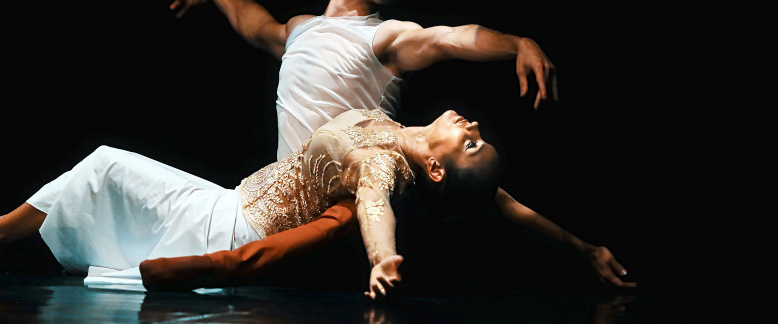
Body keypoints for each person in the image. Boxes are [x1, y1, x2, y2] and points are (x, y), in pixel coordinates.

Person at [164, 0, 635, 288]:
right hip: (280, 199)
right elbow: (258, 27)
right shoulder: (301, 29)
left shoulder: (385, 38)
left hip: (342, 209)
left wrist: (517, 44)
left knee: (472, 187)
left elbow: (450, 38)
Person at [0, 108, 501, 299]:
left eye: (472, 144)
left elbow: (373, 207)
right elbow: (503, 201)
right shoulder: (396, 129)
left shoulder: (383, 166)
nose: (474, 126)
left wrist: (382, 258)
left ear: (437, 170)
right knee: (103, 167)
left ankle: (4, 230)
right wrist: (558, 237)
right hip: (227, 199)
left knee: (106, 164)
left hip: (233, 224)